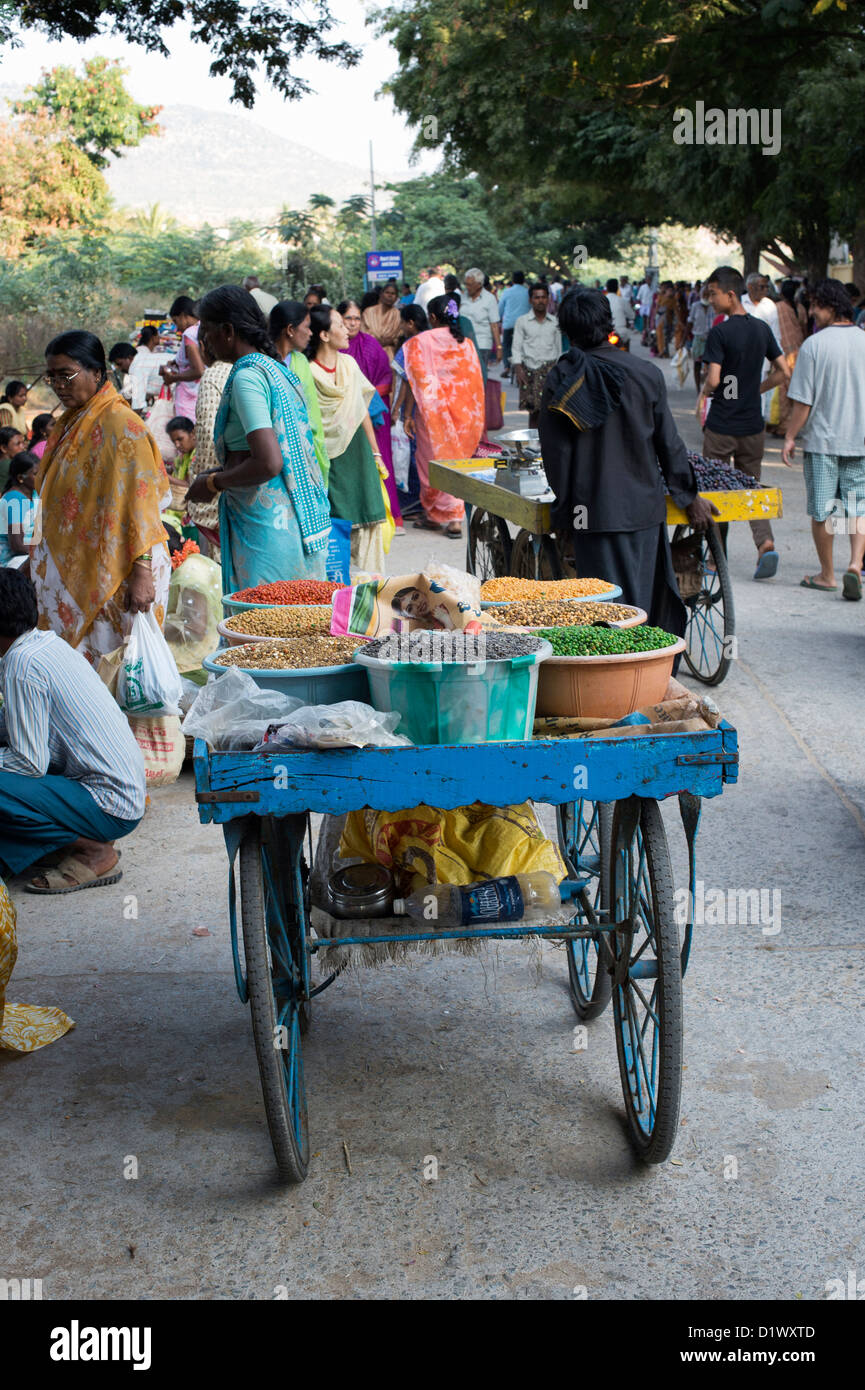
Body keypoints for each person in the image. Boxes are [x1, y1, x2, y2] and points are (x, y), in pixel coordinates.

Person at [539, 288, 715, 636]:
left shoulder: (561, 378)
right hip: (643, 510)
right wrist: (687, 495)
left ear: (567, 331)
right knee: (642, 603)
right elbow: (669, 443)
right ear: (610, 324)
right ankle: (645, 676)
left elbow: (556, 456)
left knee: (608, 610)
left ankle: (623, 680)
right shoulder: (645, 373)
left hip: (592, 513)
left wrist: (564, 513)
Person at [0, 569, 145, 894]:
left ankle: (94, 850)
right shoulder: (45, 644)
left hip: (111, 805)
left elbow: (29, 763)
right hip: (119, 791)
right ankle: (60, 843)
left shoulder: (20, 665)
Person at [32, 331, 170, 666]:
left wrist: (142, 573)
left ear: (97, 373)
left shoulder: (123, 426)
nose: (58, 385)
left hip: (121, 565)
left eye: (67, 375)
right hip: (79, 558)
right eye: (52, 377)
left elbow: (142, 503)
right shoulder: (71, 422)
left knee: (116, 666)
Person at [185, 286, 330, 593]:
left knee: (263, 624)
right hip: (292, 518)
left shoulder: (247, 377)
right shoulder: (276, 370)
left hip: (265, 526)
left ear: (227, 331)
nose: (205, 342)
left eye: (207, 332)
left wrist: (212, 484)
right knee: (292, 623)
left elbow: (268, 461)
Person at [702, 266, 790, 579]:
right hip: (753, 426)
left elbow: (714, 379)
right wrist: (756, 389)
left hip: (722, 425)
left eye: (713, 293)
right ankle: (765, 543)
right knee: (750, 487)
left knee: (715, 490)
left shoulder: (720, 333)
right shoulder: (761, 329)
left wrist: (704, 393)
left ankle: (715, 559)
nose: (710, 299)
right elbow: (783, 372)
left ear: (729, 294)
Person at [781, 279, 865, 599]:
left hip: (823, 442)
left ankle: (828, 575)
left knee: (824, 510)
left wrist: (790, 436)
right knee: (857, 507)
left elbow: (803, 402)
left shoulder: (814, 346)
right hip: (859, 440)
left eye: (815, 305)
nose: (812, 312)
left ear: (831, 305)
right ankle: (855, 564)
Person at [306, 304, 389, 573]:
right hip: (327, 459)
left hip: (358, 453)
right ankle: (335, 593)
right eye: (340, 324)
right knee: (334, 526)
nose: (348, 329)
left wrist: (376, 454)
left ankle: (370, 588)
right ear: (324, 335)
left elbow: (361, 410)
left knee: (369, 520)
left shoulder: (349, 365)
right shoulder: (307, 372)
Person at [401, 294, 484, 539]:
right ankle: (455, 518)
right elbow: (475, 383)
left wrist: (407, 415)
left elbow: (415, 381)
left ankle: (436, 516)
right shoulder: (466, 343)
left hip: (433, 416)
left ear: (433, 317)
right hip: (465, 414)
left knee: (431, 462)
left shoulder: (421, 341)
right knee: (457, 462)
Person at [337, 299, 403, 528]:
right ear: (339, 319)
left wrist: (368, 396)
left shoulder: (371, 344)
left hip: (374, 410)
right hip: (344, 412)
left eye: (357, 318)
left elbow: (386, 376)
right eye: (348, 318)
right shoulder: (335, 346)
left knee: (381, 459)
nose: (353, 323)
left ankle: (390, 515)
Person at [269, 299, 331, 486]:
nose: (311, 333)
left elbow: (311, 413)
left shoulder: (300, 361)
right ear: (290, 329)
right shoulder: (263, 362)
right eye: (307, 327)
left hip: (304, 450)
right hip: (274, 451)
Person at [183, 334, 230, 561]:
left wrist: (203, 490)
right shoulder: (266, 366)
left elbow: (209, 445)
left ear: (203, 346)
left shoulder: (214, 376)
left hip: (225, 497)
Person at [512, 284, 563, 428]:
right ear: (530, 300)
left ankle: (548, 446)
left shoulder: (555, 323)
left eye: (543, 297)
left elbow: (559, 349)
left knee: (551, 411)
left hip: (550, 369)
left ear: (548, 300)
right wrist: (518, 368)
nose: (540, 301)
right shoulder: (522, 321)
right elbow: (516, 347)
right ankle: (533, 446)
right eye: (536, 297)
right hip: (529, 370)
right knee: (533, 411)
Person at [160, 296, 203, 420]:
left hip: (188, 398)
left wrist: (172, 378)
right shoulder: (201, 329)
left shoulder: (189, 334)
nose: (176, 328)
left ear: (183, 315)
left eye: (175, 321)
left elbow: (198, 370)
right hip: (200, 395)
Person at [0, 452, 39, 567]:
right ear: (21, 478)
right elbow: (18, 545)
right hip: (12, 561)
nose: (41, 477)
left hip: (30, 553)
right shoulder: (14, 501)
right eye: (36, 474)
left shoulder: (35, 494)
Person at [461, 269, 502, 367]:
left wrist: (499, 347)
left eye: (470, 285)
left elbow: (494, 325)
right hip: (463, 344)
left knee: (479, 377)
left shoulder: (489, 299)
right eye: (465, 284)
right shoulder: (462, 297)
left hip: (482, 344)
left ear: (479, 285)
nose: (467, 287)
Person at [498, 272, 531, 376]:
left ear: (512, 281)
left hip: (509, 324)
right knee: (525, 346)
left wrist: (498, 319)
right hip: (524, 325)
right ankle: (524, 366)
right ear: (523, 281)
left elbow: (500, 308)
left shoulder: (507, 292)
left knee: (507, 345)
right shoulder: (527, 292)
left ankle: (507, 367)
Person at [361, 280, 403, 361]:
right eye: (387, 293)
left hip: (390, 355)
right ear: (381, 295)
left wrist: (390, 341)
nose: (390, 296)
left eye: (393, 294)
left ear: (396, 298)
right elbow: (363, 332)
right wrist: (377, 342)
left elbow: (399, 337)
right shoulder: (369, 312)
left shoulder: (398, 315)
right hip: (370, 352)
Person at [127, 326, 163, 413]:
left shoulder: (142, 351)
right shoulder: (143, 354)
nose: (160, 337)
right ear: (153, 338)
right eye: (158, 335)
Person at [687, 286, 714, 393]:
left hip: (711, 339)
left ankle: (707, 387)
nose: (706, 297)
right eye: (704, 294)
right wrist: (684, 340)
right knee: (697, 364)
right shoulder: (695, 306)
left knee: (711, 365)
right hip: (698, 339)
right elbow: (689, 322)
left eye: (708, 295)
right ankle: (698, 388)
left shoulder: (714, 306)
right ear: (700, 295)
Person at [604, 278, 635, 344]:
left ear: (606, 288)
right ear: (617, 288)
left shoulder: (602, 300)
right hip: (621, 333)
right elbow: (632, 316)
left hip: (605, 334)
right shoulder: (622, 301)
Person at [0, 428, 27, 493]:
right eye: (18, 444)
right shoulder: (8, 465)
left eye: (23, 443)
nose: (23, 447)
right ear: (4, 448)